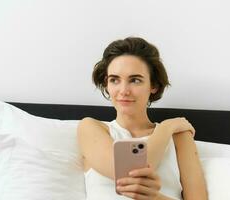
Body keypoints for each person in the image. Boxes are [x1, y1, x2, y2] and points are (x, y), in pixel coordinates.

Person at [78, 37, 207, 200]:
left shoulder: (179, 137)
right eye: (114, 80)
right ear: (107, 84)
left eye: (135, 80)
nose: (123, 90)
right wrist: (166, 128)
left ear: (153, 85)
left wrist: (154, 198)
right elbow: (126, 171)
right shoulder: (91, 128)